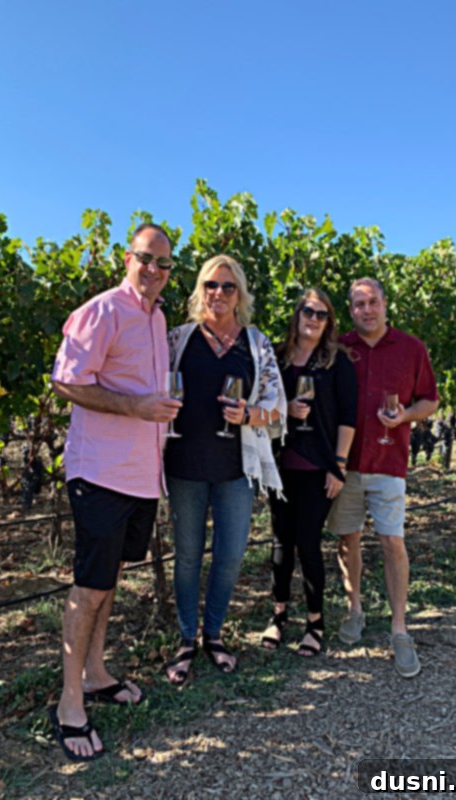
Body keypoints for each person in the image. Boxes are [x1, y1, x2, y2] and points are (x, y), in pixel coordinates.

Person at [49, 223, 182, 761]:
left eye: (163, 263)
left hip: (139, 475)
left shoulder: (157, 318)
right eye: (145, 259)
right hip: (100, 472)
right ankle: (69, 703)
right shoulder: (104, 310)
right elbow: (66, 380)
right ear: (126, 258)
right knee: (89, 586)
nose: (153, 270)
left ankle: (98, 672)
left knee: (109, 580)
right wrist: (136, 408)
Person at [163, 254, 287, 685]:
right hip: (183, 465)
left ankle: (214, 635)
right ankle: (185, 639)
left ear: (240, 294)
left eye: (228, 287)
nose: (218, 294)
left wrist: (250, 416)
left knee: (231, 556)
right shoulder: (177, 338)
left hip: (235, 467)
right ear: (200, 290)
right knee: (187, 558)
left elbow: (278, 406)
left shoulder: (256, 343)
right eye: (211, 285)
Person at [328, 277, 439, 677]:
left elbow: (430, 399)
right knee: (348, 539)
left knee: (393, 541)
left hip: (390, 462)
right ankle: (354, 608)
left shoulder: (411, 349)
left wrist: (406, 415)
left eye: (372, 302)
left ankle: (399, 629)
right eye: (358, 304)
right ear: (352, 310)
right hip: (347, 463)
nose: (366, 310)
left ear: (384, 303)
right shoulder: (340, 348)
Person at [261, 289, 357, 656]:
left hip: (318, 468)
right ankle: (278, 615)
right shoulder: (278, 358)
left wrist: (339, 466)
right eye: (308, 311)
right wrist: (285, 409)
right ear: (297, 314)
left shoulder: (337, 362)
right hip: (281, 465)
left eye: (321, 314)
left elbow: (348, 418)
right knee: (281, 542)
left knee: (308, 542)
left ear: (329, 321)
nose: (313, 318)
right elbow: (263, 404)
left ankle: (315, 623)